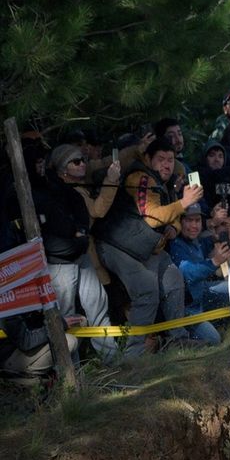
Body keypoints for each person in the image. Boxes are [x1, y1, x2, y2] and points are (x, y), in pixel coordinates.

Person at [93, 138, 204, 356]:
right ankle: (134, 355)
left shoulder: (166, 181)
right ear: (147, 159)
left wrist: (174, 225)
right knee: (146, 290)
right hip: (117, 245)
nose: (166, 164)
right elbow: (153, 217)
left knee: (173, 278)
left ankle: (177, 339)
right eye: (160, 159)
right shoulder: (140, 178)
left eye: (170, 160)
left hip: (144, 246)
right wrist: (184, 203)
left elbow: (169, 216)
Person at [40, 144, 120, 360]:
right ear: (62, 169)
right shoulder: (52, 192)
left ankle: (112, 361)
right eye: (76, 161)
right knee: (66, 315)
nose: (82, 164)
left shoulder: (77, 189)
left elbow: (87, 218)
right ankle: (71, 371)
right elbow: (98, 210)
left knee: (98, 305)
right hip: (61, 261)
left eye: (83, 159)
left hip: (83, 255)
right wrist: (111, 180)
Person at [168, 205, 230, 346]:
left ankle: (218, 321)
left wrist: (218, 232)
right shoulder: (175, 245)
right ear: (180, 222)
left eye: (197, 220)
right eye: (189, 221)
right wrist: (215, 261)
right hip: (187, 309)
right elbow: (188, 272)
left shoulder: (196, 241)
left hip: (201, 295)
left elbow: (207, 242)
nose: (194, 225)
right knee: (214, 340)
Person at [0, 312, 80, 385]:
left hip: (28, 344)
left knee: (79, 322)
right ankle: (25, 377)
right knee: (69, 341)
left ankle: (74, 375)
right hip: (11, 356)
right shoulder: (7, 302)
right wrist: (58, 326)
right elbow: (26, 342)